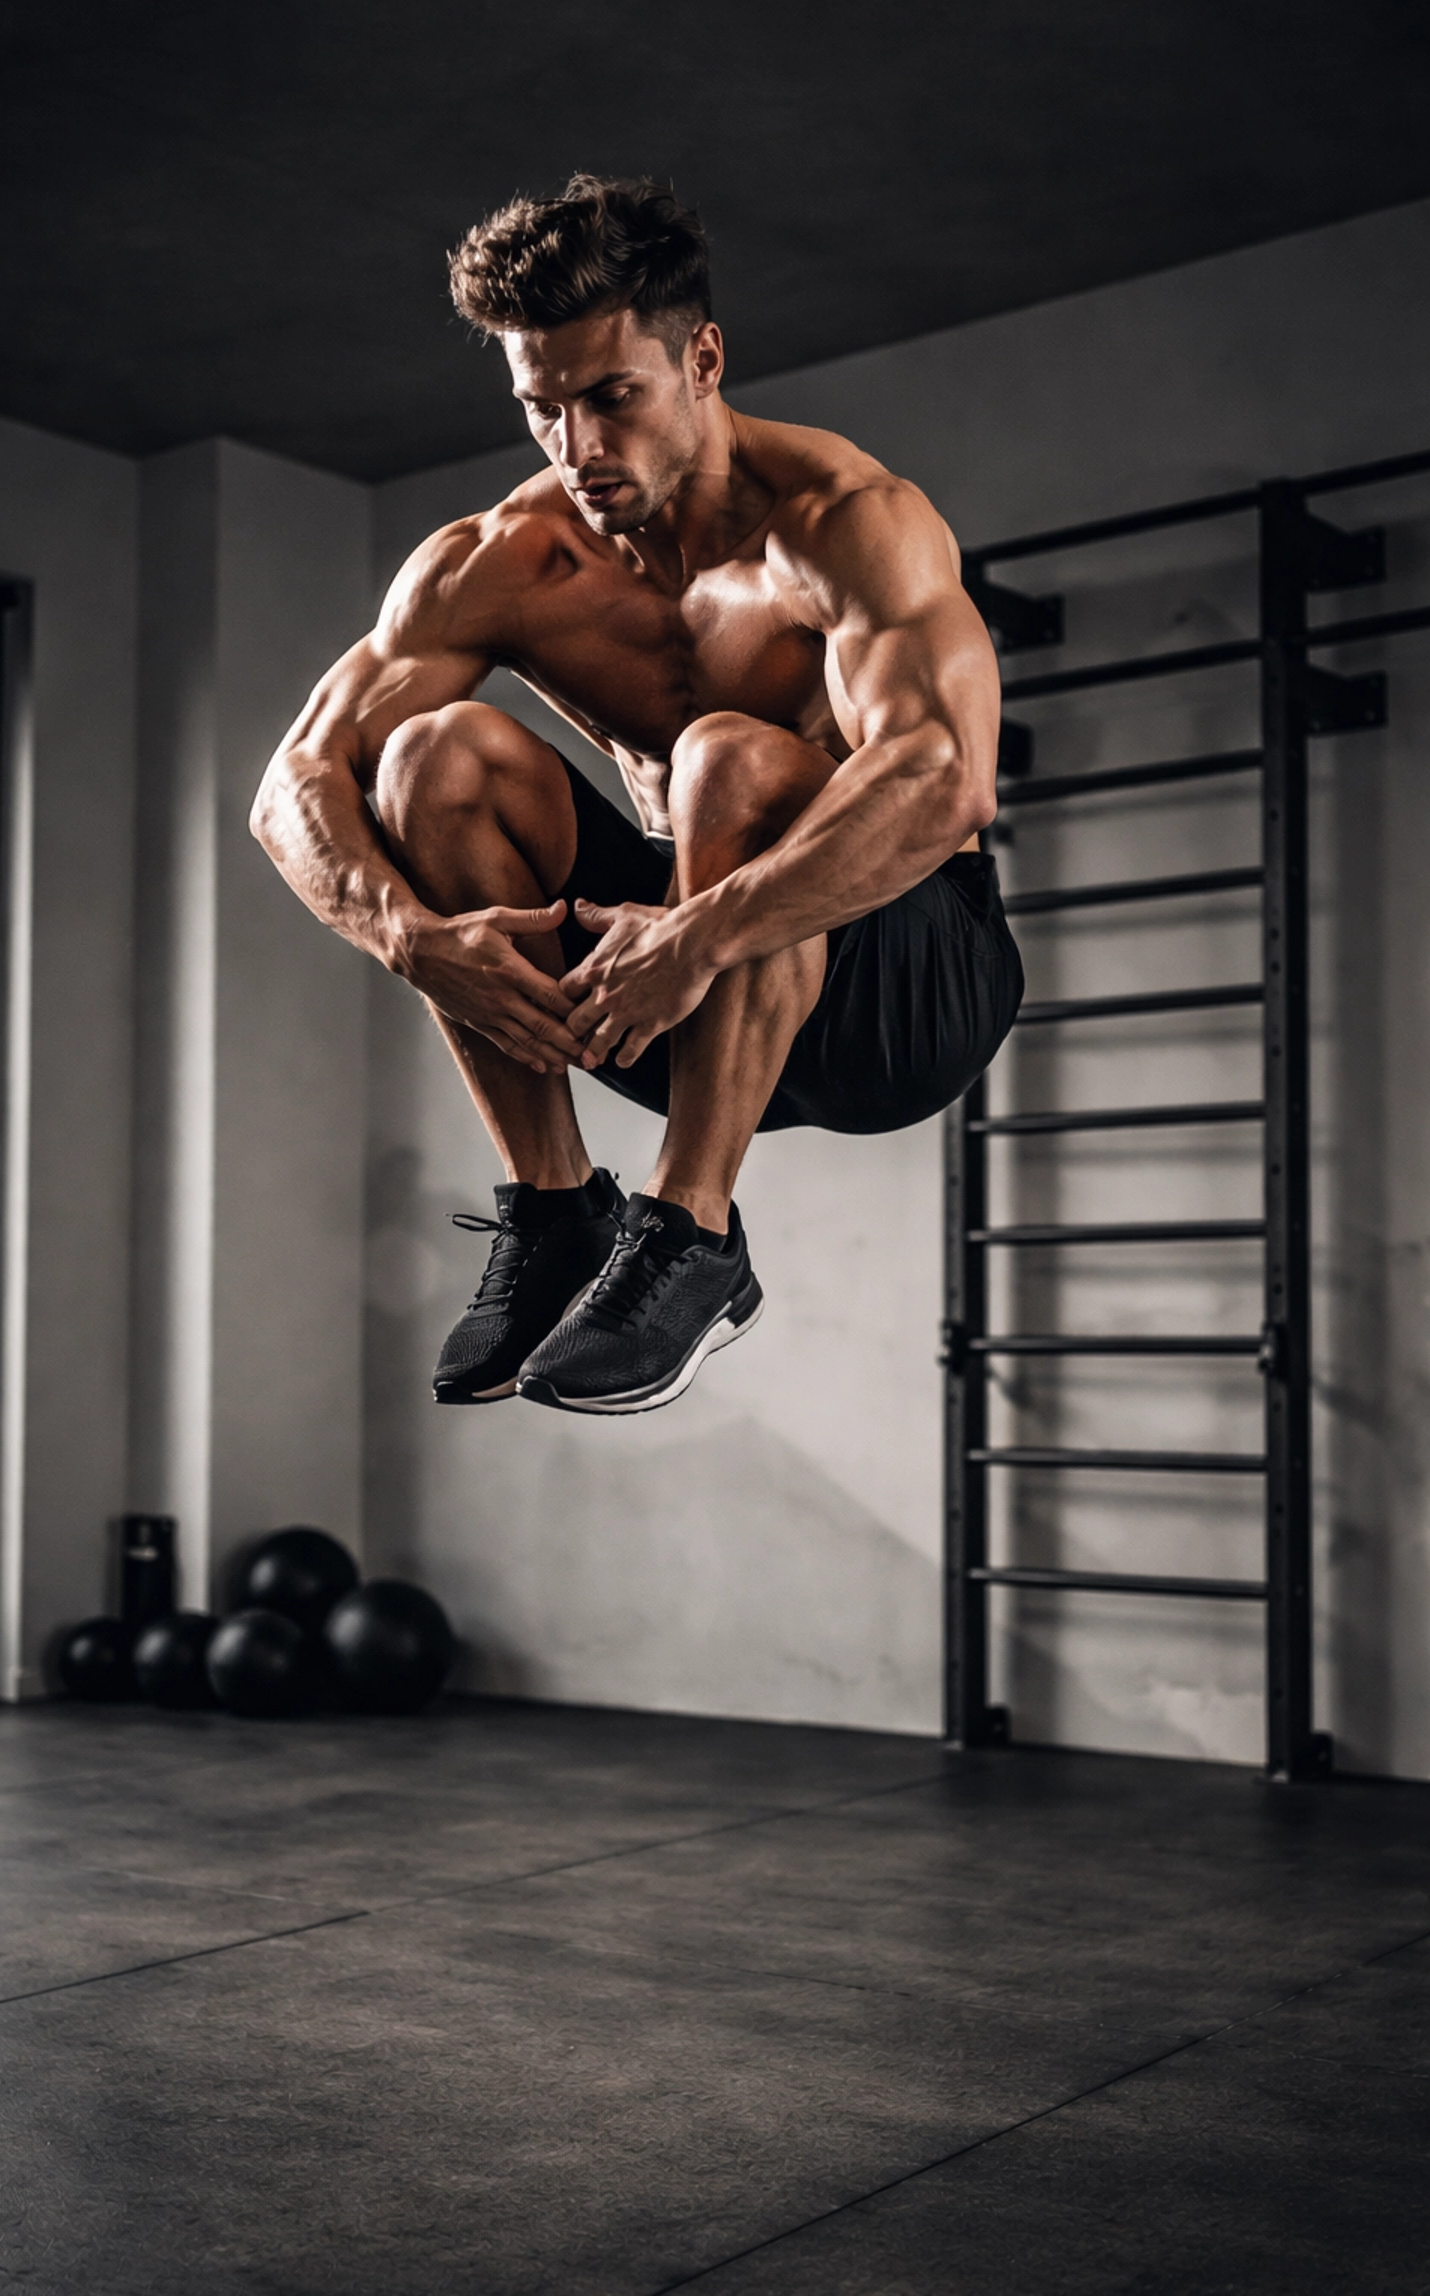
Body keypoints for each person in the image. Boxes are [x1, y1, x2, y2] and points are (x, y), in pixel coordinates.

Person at [251, 175, 1022, 1416]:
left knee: (730, 754)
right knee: (429, 757)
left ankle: (691, 1229)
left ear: (701, 360)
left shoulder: (844, 523)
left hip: (904, 992)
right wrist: (408, 939)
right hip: (661, 998)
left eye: (614, 397)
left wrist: (698, 936)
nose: (579, 449)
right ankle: (558, 1211)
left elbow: (946, 782)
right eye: (543, 410)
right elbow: (293, 780)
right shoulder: (506, 559)